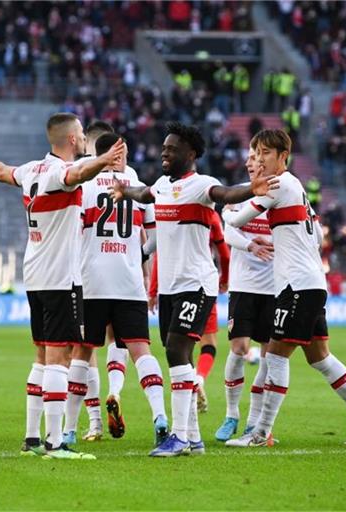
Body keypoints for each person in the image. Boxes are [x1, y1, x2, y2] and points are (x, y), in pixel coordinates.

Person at [0, 112, 125, 460]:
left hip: (35, 274)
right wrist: (104, 160)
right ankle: (54, 443)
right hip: (60, 277)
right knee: (59, 356)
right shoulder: (56, 174)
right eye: (81, 133)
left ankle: (32, 439)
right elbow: (76, 173)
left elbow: (2, 171)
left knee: (41, 355)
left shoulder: (32, 170)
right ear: (70, 139)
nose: (84, 138)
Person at [111, 122, 279, 457]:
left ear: (191, 154)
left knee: (176, 351)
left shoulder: (202, 185)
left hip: (196, 284)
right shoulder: (161, 185)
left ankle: (180, 436)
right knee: (179, 356)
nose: (164, 153)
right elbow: (143, 193)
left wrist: (251, 189)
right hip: (171, 288)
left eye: (171, 149)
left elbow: (226, 194)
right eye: (163, 148)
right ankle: (194, 438)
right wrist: (122, 191)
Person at [222, 129, 346, 447]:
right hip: (312, 283)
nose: (260, 158)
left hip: (295, 286)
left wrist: (229, 207)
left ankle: (260, 433)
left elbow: (238, 220)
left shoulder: (279, 184)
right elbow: (319, 237)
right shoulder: (297, 188)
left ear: (284, 157)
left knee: (276, 356)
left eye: (267, 153)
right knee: (320, 357)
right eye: (257, 152)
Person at [62, 131, 169, 449]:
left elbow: (71, 231)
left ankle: (68, 431)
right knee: (141, 352)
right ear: (119, 154)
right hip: (129, 283)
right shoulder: (139, 189)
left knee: (81, 353)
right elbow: (157, 235)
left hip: (91, 283)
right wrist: (142, 258)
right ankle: (160, 419)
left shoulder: (85, 185)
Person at [214, 147, 276, 442]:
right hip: (243, 285)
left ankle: (254, 421)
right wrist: (251, 246)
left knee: (268, 355)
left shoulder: (281, 194)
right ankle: (231, 415)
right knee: (238, 348)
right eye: (250, 161)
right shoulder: (239, 194)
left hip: (274, 286)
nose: (252, 165)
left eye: (257, 160)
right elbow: (228, 232)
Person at [147, 211, 230, 415]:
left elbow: (159, 255)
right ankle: (199, 378)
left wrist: (153, 289)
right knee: (208, 343)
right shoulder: (210, 216)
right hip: (202, 284)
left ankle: (190, 387)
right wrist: (225, 278)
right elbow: (224, 253)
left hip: (172, 285)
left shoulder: (168, 211)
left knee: (181, 346)